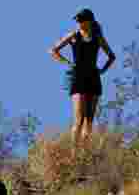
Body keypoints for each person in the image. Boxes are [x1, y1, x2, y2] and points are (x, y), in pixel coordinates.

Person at [48, 8, 116, 144]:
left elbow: (112, 56)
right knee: (79, 120)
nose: (79, 22)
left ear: (89, 21)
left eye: (81, 20)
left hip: (94, 78)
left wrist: (102, 70)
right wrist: (67, 62)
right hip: (78, 77)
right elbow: (53, 50)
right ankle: (75, 155)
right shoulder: (73, 35)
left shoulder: (98, 37)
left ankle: (85, 154)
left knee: (89, 120)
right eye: (77, 20)